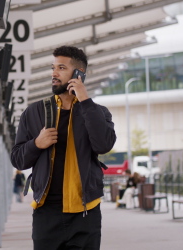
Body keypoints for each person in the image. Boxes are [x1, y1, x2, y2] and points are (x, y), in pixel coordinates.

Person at [10, 46, 117, 250]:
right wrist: (36, 144)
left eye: (61, 68)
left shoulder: (98, 112)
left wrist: (84, 99)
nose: (54, 73)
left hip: (85, 213)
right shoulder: (34, 112)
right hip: (46, 213)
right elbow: (18, 159)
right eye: (53, 68)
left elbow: (103, 144)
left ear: (79, 74)